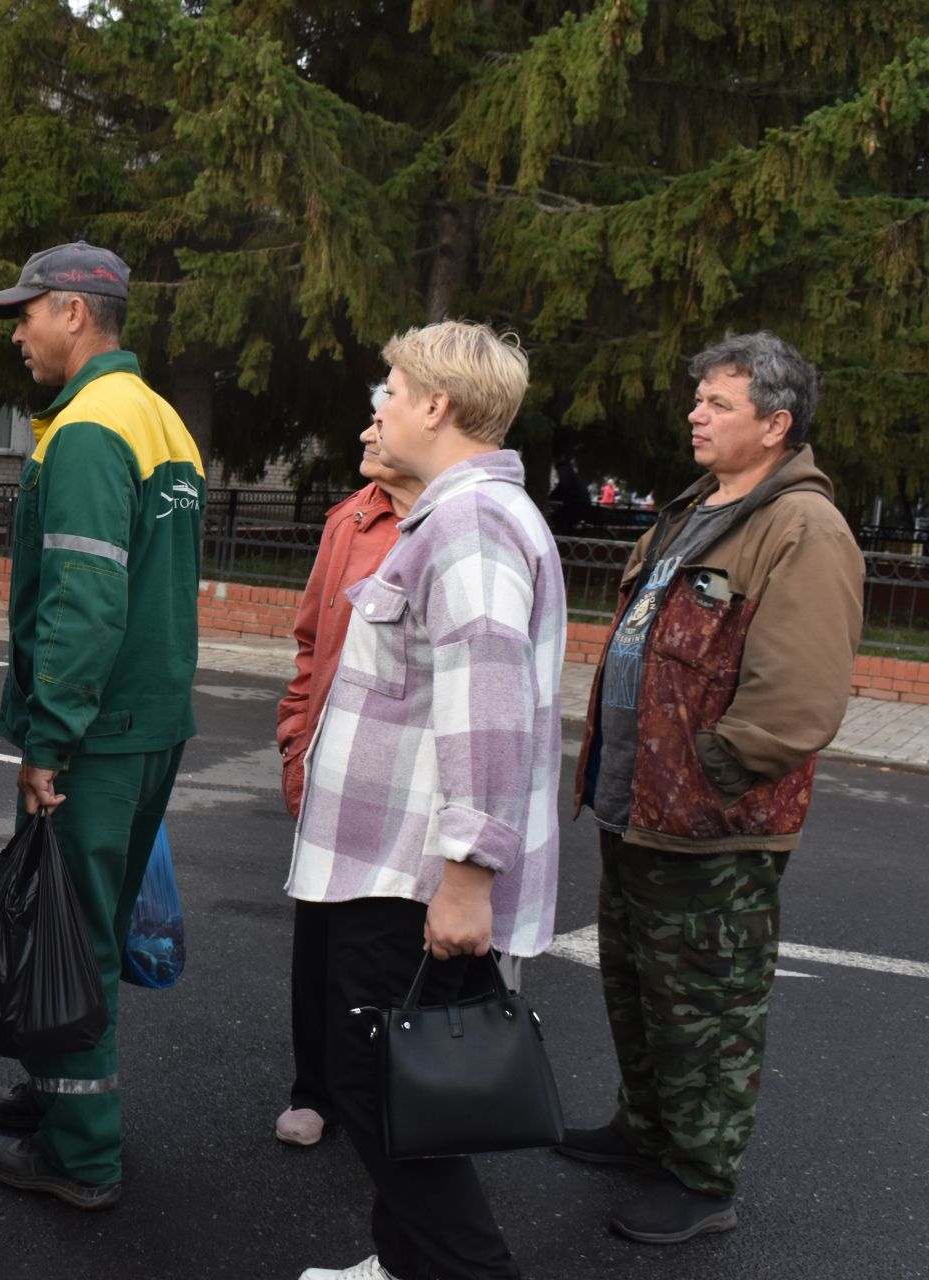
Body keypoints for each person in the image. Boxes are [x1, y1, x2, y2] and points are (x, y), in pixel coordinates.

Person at [566, 332, 864, 1244]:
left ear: (775, 425)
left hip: (709, 822)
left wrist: (711, 776)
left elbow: (799, 695)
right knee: (637, 983)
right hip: (639, 805)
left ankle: (702, 1181)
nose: (696, 412)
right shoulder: (701, 506)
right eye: (699, 397)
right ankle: (647, 1129)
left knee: (709, 1002)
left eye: (719, 403)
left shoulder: (802, 528)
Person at [288, 321, 563, 1280]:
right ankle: (406, 1265)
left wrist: (465, 877)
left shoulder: (473, 523)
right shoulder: (454, 516)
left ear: (438, 407)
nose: (379, 405)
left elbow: (487, 714)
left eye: (392, 390)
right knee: (398, 1088)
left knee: (370, 1081)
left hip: (409, 873)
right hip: (392, 860)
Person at [0, 242, 206, 1210]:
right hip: (151, 721)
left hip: (96, 733)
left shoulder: (89, 429)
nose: (17, 330)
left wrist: (48, 739)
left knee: (74, 938)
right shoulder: (162, 421)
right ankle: (52, 1091)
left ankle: (83, 1155)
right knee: (83, 926)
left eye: (26, 310)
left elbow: (86, 596)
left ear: (75, 311)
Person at [271, 383, 423, 1148]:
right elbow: (309, 645)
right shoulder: (349, 520)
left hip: (401, 782)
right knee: (321, 941)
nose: (366, 429)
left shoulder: (439, 529)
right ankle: (316, 1088)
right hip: (330, 765)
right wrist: (295, 738)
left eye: (379, 416)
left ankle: (401, 1095)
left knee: (390, 948)